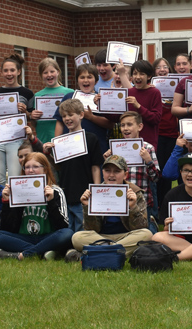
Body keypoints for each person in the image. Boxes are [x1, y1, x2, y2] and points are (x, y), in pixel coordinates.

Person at [0, 152, 73, 260]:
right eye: (27, 167)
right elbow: (7, 228)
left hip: (48, 237)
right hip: (24, 238)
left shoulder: (56, 191)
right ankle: (42, 252)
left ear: (45, 169)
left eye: (35, 167)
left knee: (67, 233)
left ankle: (21, 255)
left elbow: (63, 226)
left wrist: (51, 202)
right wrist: (6, 202)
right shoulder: (16, 191)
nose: (30, 170)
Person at [66, 155, 153, 262]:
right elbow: (91, 229)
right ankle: (116, 252)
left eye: (117, 171)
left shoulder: (135, 192)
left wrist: (133, 207)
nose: (111, 175)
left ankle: (97, 252)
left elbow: (141, 227)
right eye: (107, 171)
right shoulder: (95, 192)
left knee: (146, 235)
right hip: (100, 237)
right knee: (77, 237)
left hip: (126, 236)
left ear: (125, 175)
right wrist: (87, 207)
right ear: (102, 173)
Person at [43, 98, 103, 231]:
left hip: (84, 193)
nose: (67, 119)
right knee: (67, 229)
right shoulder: (60, 141)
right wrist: (48, 155)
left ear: (81, 115)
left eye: (71, 115)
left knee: (83, 229)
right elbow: (59, 167)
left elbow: (95, 166)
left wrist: (96, 188)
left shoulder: (91, 138)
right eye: (64, 116)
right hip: (66, 192)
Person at [0, 53, 35, 185]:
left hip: (16, 139)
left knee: (15, 177)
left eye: (12, 70)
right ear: (1, 73)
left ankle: (14, 205)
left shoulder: (27, 93)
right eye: (5, 70)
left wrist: (25, 113)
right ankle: (0, 205)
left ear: (18, 71)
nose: (9, 73)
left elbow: (33, 118)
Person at [101, 111, 160, 232]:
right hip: (118, 199)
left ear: (140, 126)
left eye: (129, 124)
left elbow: (156, 178)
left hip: (142, 201)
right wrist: (107, 160)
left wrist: (149, 161)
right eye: (123, 125)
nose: (125, 128)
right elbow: (108, 178)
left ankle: (152, 225)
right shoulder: (115, 148)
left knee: (144, 233)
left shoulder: (147, 148)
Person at [54, 64, 113, 154]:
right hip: (71, 147)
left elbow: (110, 124)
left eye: (89, 77)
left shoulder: (102, 99)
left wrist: (91, 117)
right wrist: (57, 144)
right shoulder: (69, 97)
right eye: (82, 77)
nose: (86, 80)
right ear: (77, 80)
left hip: (97, 147)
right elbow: (59, 121)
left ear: (96, 81)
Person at [113, 60, 162, 149]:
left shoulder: (155, 93)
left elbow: (156, 119)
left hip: (148, 143)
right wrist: (100, 104)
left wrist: (138, 106)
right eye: (135, 74)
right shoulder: (129, 92)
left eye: (142, 74)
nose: (138, 77)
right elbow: (117, 116)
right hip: (128, 143)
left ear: (149, 76)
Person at [154, 57, 180, 207]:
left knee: (169, 173)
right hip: (157, 135)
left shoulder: (177, 87)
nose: (162, 69)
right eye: (159, 67)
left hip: (172, 135)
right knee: (158, 172)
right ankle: (158, 204)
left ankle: (166, 203)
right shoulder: (151, 87)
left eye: (165, 67)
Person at [30, 58, 73, 144]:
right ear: (41, 75)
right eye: (45, 72)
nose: (49, 75)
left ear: (58, 72)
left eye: (52, 71)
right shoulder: (38, 96)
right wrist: (32, 117)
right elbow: (35, 124)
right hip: (43, 138)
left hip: (65, 139)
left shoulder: (70, 93)